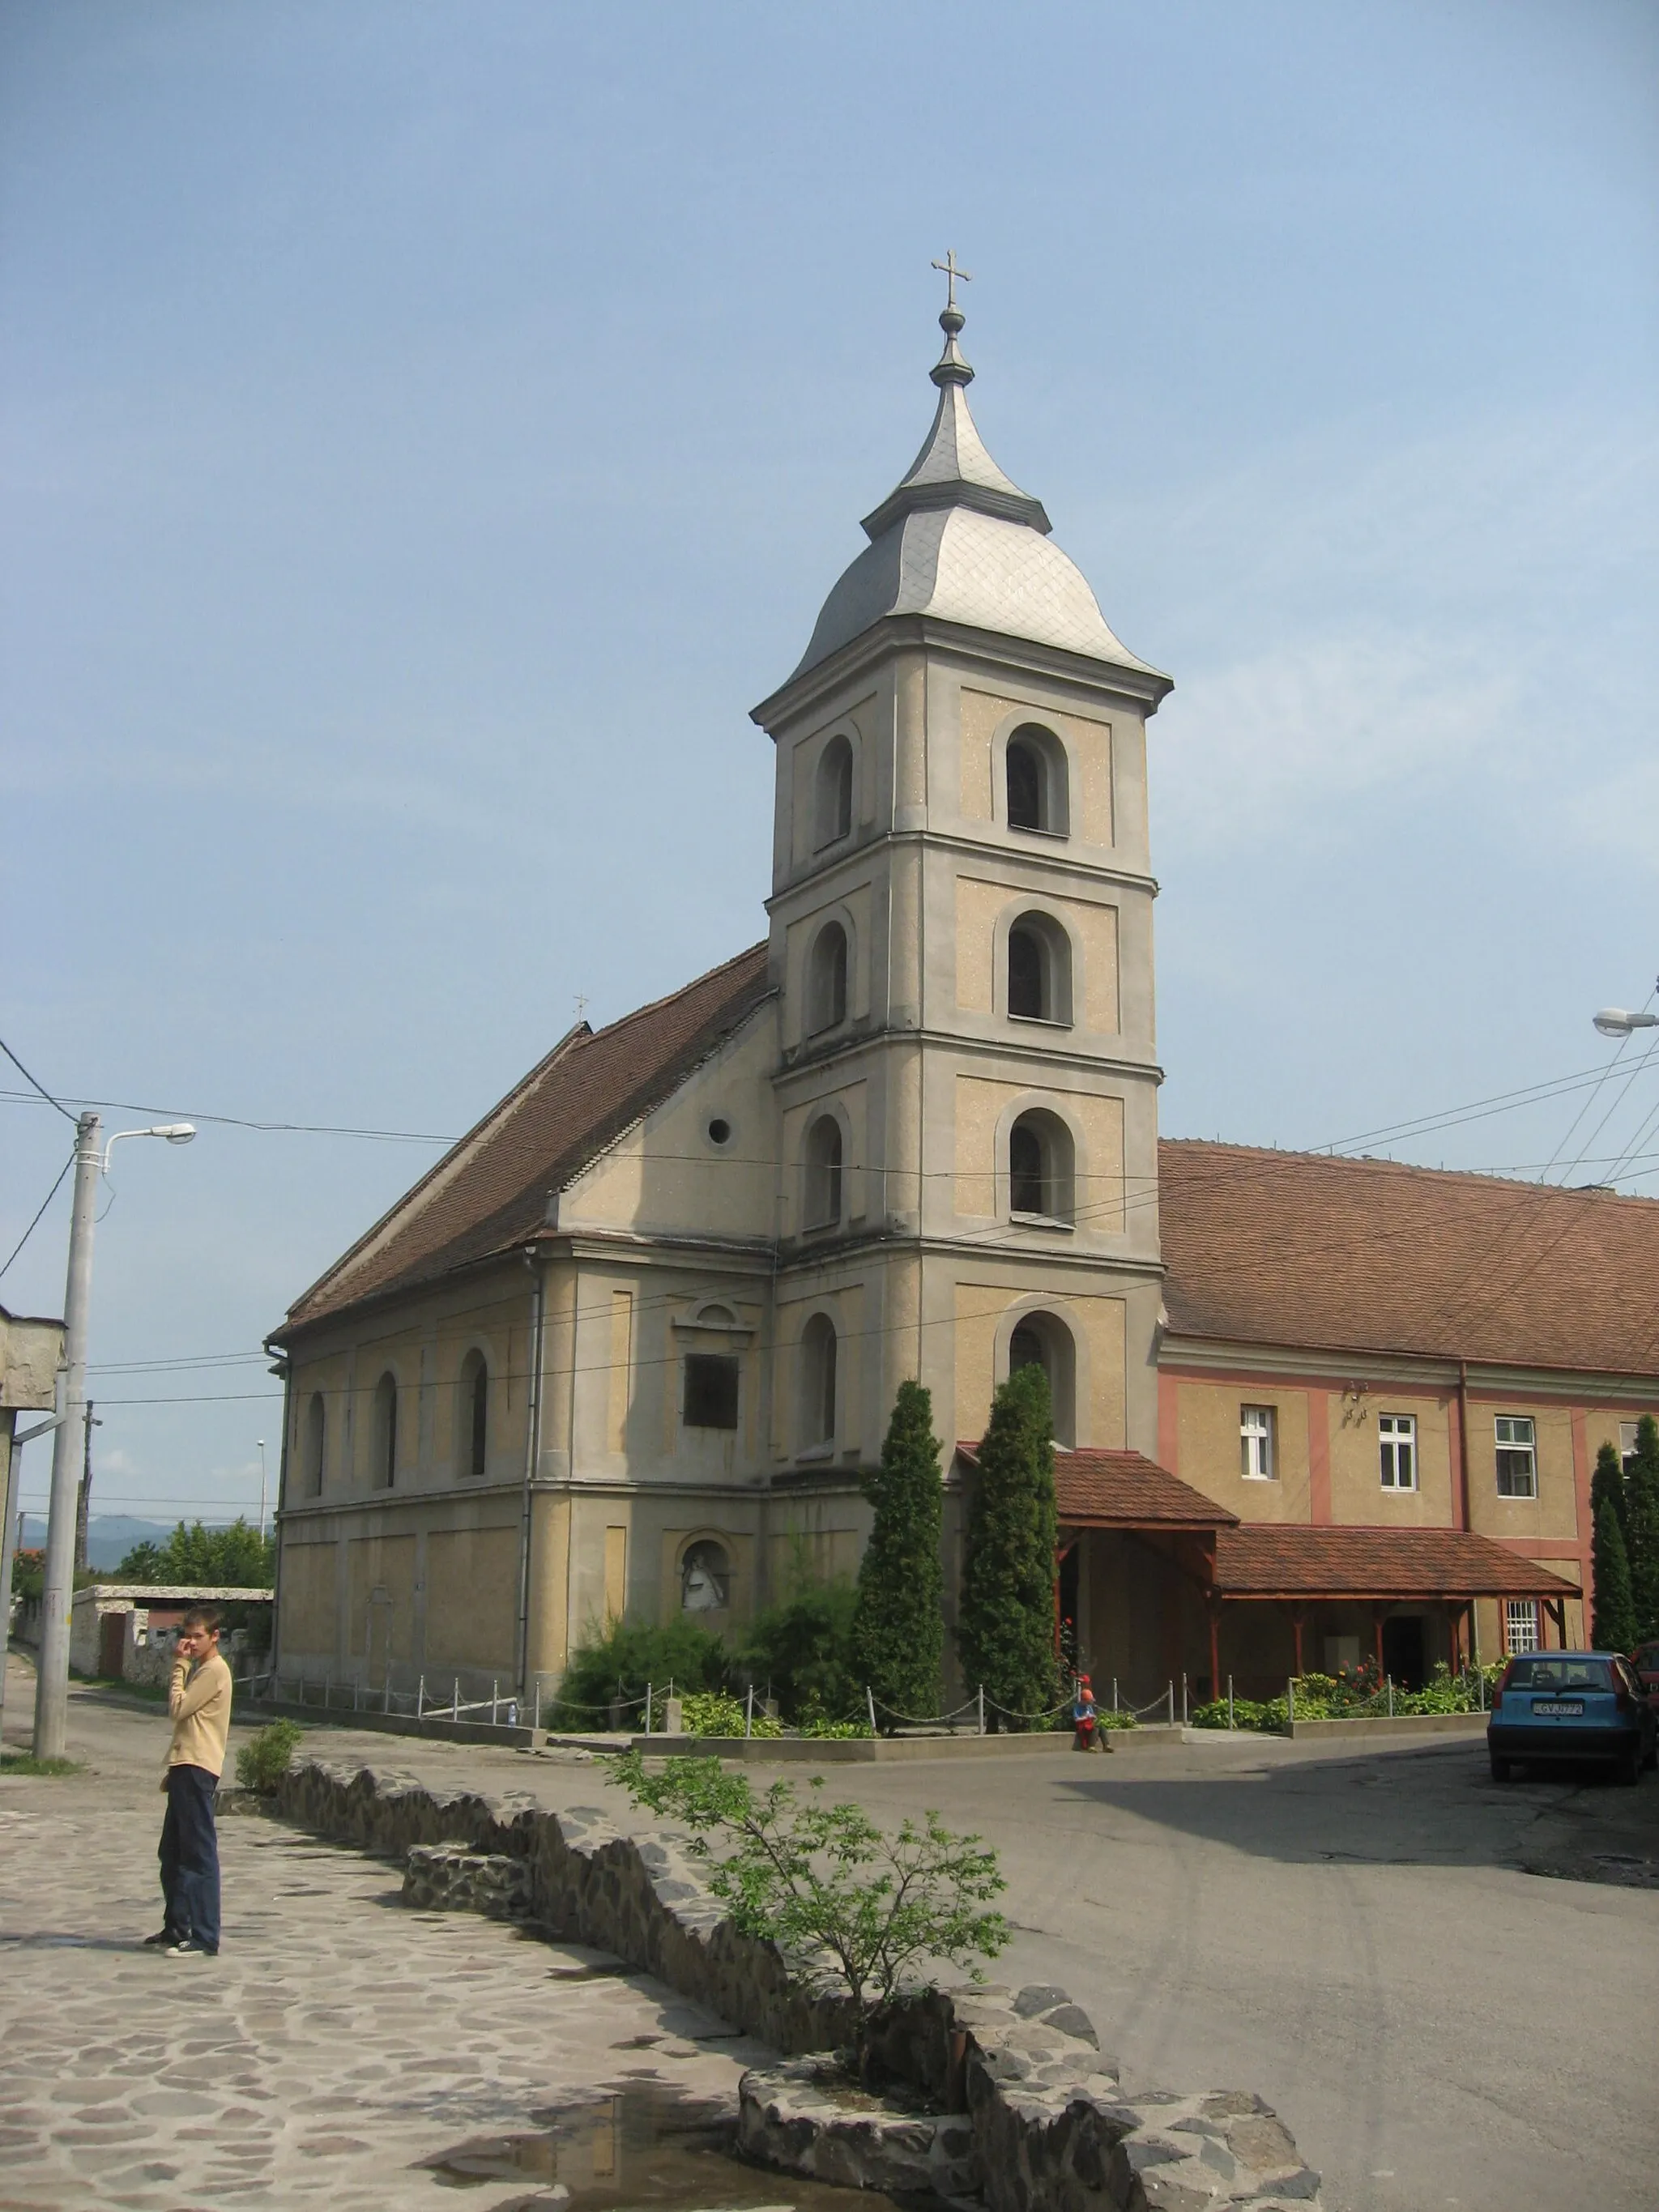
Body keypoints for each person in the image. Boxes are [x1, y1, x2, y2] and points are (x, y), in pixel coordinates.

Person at [146, 1606, 232, 1958]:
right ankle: (176, 1927)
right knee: (172, 1853)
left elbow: (178, 1709)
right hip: (185, 1765)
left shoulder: (214, 1671)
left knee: (199, 1856)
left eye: (199, 1636)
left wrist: (178, 1667)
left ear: (215, 1637)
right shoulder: (203, 1669)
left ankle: (205, 1936)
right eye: (188, 1635)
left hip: (199, 1768)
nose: (191, 1643)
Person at [1073, 1673, 1111, 1754]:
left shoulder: (1089, 1707)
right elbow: (1076, 1719)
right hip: (1082, 1726)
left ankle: (1106, 1745)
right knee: (1095, 1728)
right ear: (1083, 1700)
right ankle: (1091, 1746)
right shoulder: (1078, 1707)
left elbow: (1092, 1715)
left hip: (1089, 1724)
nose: (1088, 1704)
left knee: (1102, 1727)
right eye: (1087, 1702)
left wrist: (1093, 1716)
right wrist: (1086, 1717)